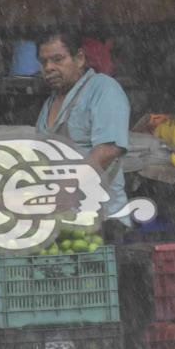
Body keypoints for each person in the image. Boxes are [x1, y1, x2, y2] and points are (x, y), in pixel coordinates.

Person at [35, 30, 131, 228]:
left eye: (57, 59)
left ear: (79, 58)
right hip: (63, 223)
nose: (49, 68)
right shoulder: (49, 104)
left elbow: (108, 149)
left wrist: (66, 190)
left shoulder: (104, 89)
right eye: (44, 62)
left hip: (104, 221)